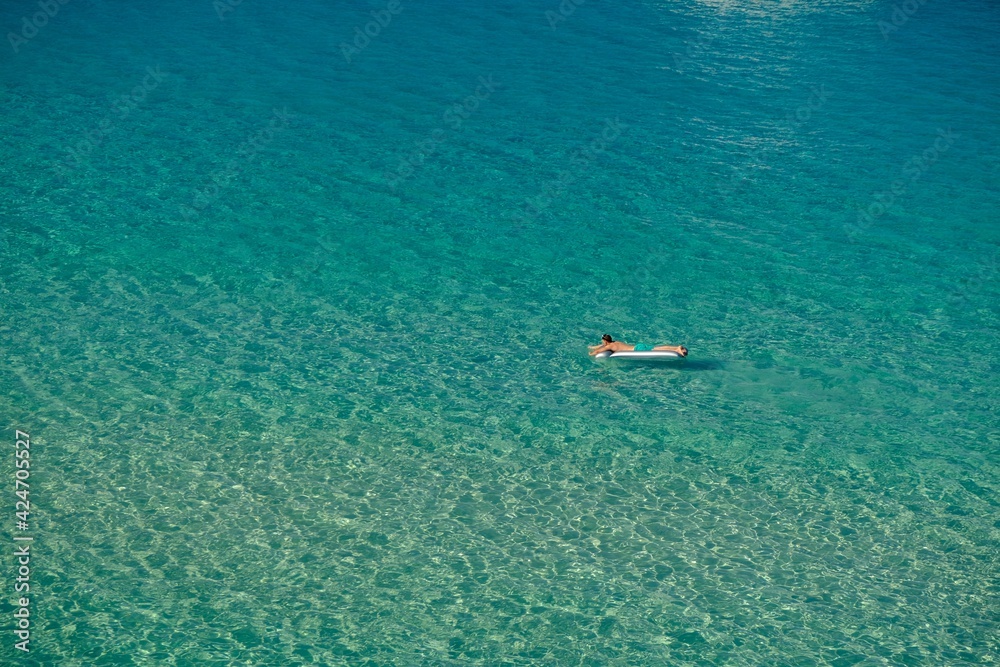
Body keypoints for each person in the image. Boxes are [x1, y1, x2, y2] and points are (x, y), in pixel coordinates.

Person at [588, 334, 687, 356]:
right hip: (638, 346)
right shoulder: (615, 342)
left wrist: (590, 354)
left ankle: (676, 350)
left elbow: (598, 351)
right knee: (657, 347)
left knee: (657, 349)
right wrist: (592, 347)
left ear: (605, 342)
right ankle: (676, 348)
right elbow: (599, 347)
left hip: (637, 350)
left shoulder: (609, 346)